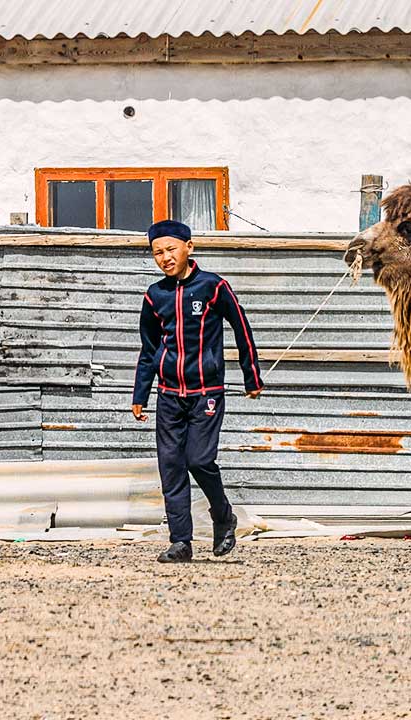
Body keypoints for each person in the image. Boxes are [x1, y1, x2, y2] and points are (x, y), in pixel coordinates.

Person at [132, 219, 263, 563]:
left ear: (189, 247)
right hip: (169, 396)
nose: (164, 257)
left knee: (199, 460)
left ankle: (223, 516)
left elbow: (241, 327)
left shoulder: (213, 287)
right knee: (171, 466)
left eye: (170, 249)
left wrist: (252, 376)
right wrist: (140, 394)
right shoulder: (154, 295)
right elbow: (148, 349)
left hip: (207, 392)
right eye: (157, 252)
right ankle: (181, 542)